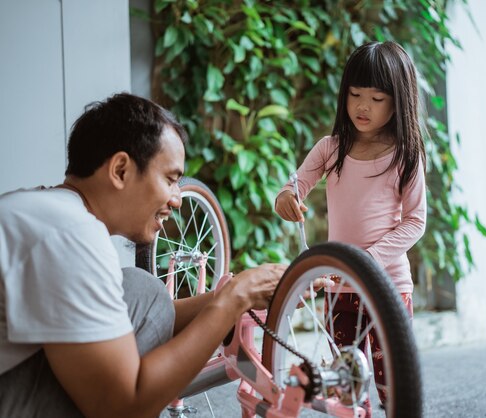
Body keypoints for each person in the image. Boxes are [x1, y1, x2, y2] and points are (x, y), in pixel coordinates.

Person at [0, 93, 286, 418]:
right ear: (120, 170)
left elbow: (144, 315)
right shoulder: (71, 234)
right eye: (170, 179)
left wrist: (235, 296)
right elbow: (125, 406)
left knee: (140, 291)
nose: (178, 199)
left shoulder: (41, 210)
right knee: (143, 299)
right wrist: (233, 299)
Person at [275, 41, 427, 416]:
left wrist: (368, 261)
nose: (362, 106)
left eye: (376, 98)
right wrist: (285, 199)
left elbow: (416, 221)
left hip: (388, 287)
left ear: (398, 101)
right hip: (339, 287)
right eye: (355, 95)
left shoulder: (405, 155)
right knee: (347, 385)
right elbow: (295, 186)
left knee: (393, 383)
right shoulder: (332, 148)